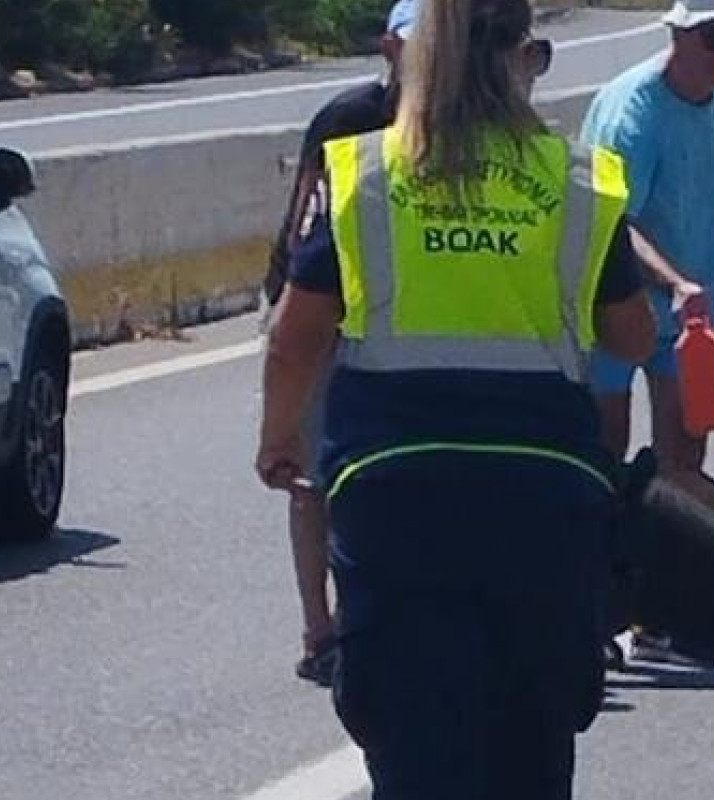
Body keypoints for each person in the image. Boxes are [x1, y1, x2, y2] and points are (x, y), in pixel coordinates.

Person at [253, 0, 654, 793]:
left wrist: (279, 439)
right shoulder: (573, 177)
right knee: (531, 745)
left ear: (417, 56)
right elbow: (633, 339)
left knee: (412, 743)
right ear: (523, 58)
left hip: (397, 499)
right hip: (543, 499)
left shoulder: (367, 172)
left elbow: (297, 336)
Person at [579, 0, 714, 664]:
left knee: (684, 465)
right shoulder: (636, 108)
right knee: (604, 461)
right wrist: (673, 280)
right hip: (617, 303)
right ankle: (593, 612)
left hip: (693, 318)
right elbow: (611, 220)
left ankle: (663, 613)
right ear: (680, 34)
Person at [261, 0, 415, 687]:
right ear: (390, 48)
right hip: (327, 311)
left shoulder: (465, 126)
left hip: (404, 324)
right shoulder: (350, 119)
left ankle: (385, 614)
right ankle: (318, 629)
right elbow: (304, 218)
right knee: (311, 480)